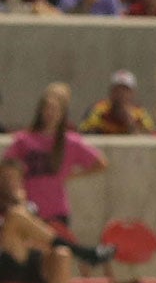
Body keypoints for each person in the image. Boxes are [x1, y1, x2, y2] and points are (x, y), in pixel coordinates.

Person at [0, 156, 104, 283]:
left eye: (14, 178)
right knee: (15, 218)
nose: (10, 183)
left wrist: (20, 202)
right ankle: (85, 253)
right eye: (6, 178)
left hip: (30, 262)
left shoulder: (28, 206)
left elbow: (38, 239)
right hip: (7, 263)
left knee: (62, 254)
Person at [5, 83, 106, 227]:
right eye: (47, 109)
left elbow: (100, 163)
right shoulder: (24, 139)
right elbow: (7, 165)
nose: (50, 114)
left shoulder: (70, 141)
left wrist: (72, 175)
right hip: (30, 208)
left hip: (57, 210)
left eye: (55, 110)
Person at [80, 69, 156, 135]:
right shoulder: (99, 110)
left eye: (125, 90)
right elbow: (84, 134)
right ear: (111, 92)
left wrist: (131, 124)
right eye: (117, 90)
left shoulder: (140, 114)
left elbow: (149, 139)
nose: (121, 94)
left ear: (132, 93)